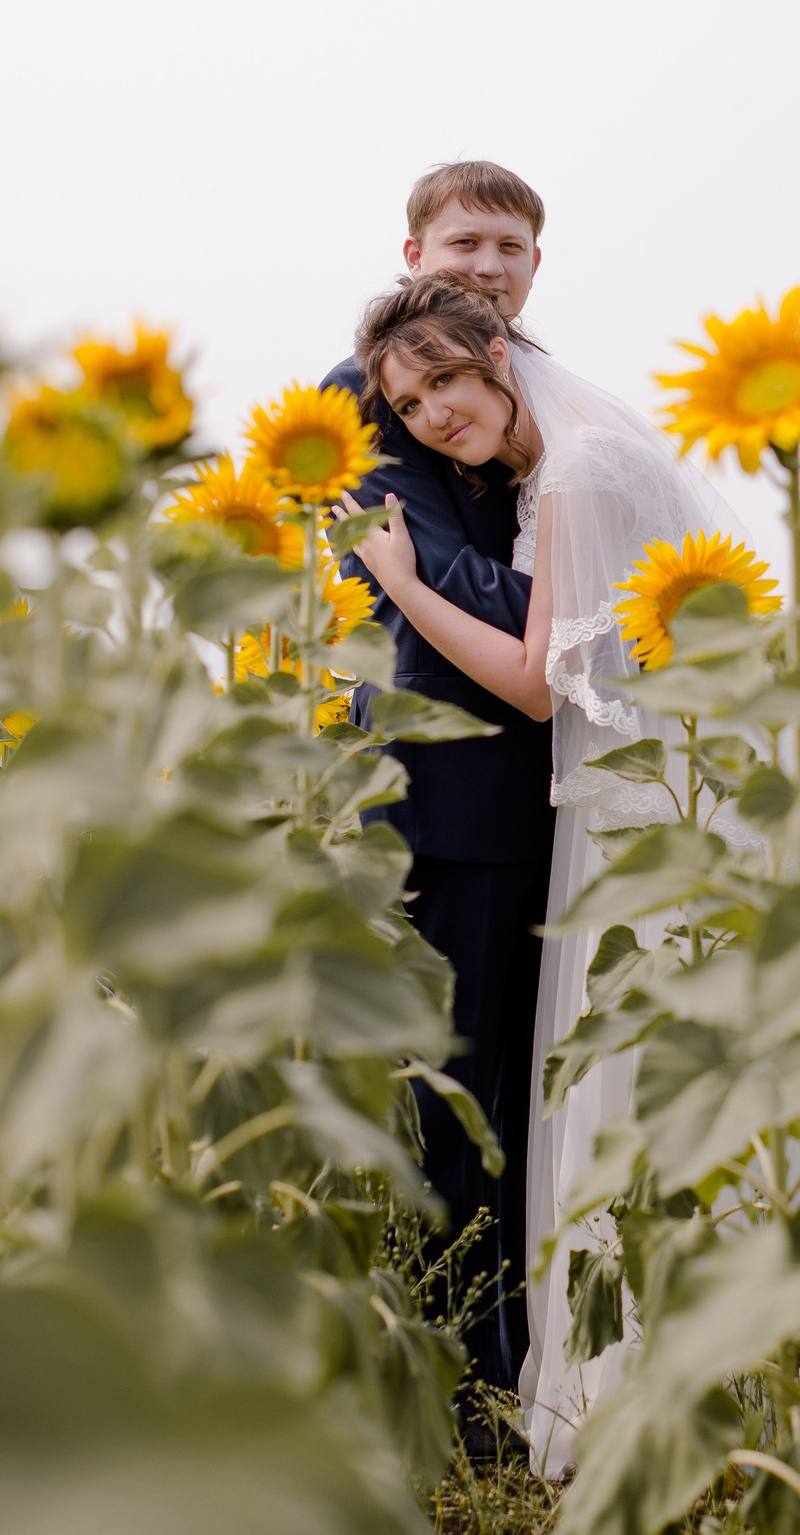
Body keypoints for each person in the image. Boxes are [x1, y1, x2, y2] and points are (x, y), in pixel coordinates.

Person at [337, 268, 749, 1479]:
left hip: (621, 799)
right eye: (408, 405)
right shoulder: (574, 455)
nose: (428, 418)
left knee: (617, 1067)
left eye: (443, 384)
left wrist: (402, 581)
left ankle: (637, 1387)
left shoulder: (570, 471)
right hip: (629, 786)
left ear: (499, 356)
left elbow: (531, 678)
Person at [321, 162, 554, 1449]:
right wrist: (567, 612)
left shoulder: (538, 398)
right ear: (413, 247)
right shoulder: (360, 397)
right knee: (448, 1101)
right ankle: (448, 1386)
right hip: (441, 793)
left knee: (528, 1101)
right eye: (466, 238)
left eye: (511, 245)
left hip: (556, 796)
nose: (488, 261)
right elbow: (489, 593)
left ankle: (513, 1362)